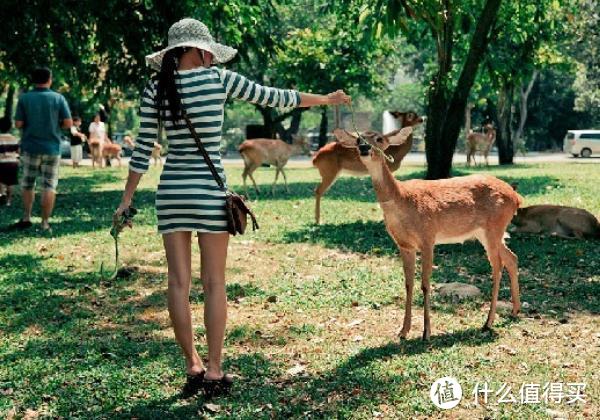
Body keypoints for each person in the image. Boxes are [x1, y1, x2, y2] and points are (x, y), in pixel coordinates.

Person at [114, 18, 351, 397]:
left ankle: (191, 364)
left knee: (177, 283)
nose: (211, 56)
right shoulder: (220, 80)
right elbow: (276, 96)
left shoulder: (155, 87)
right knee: (214, 284)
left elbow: (143, 149)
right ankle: (214, 370)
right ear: (199, 50)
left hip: (172, 193)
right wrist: (326, 99)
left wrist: (127, 199)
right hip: (210, 192)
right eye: (208, 50)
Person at [12, 67, 72, 232]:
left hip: (30, 147)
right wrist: (55, 125)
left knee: (28, 184)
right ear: (49, 79)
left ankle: (26, 217)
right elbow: (68, 123)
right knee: (49, 185)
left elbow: (18, 124)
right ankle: (45, 223)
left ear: (33, 80)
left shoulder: (25, 98)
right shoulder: (58, 98)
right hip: (52, 148)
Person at [0, 117, 19, 206]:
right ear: (10, 127)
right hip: (12, 163)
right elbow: (18, 151)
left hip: (1, 162)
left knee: (0, 180)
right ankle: (8, 201)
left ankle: (1, 194)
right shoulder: (14, 138)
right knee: (10, 182)